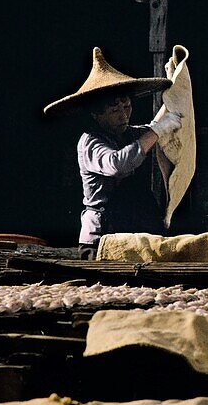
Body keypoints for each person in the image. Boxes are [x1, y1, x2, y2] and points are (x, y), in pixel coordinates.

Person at [43, 47, 183, 259]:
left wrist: (169, 114)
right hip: (102, 236)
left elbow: (154, 129)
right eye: (114, 110)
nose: (124, 114)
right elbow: (118, 164)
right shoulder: (90, 142)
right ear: (97, 115)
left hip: (138, 233)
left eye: (126, 105)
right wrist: (157, 130)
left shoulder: (133, 134)